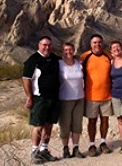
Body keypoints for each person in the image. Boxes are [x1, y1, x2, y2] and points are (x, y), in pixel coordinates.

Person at [22, 36, 60, 164]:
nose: (47, 47)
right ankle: (34, 152)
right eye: (44, 45)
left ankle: (44, 150)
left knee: (49, 125)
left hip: (54, 98)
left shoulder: (54, 58)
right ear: (39, 45)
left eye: (49, 45)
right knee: (38, 125)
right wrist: (29, 97)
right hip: (39, 98)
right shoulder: (33, 60)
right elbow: (26, 79)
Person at [80, 34, 113, 157]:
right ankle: (92, 144)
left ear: (102, 43)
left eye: (99, 42)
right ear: (91, 44)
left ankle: (103, 143)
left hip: (106, 96)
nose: (97, 44)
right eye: (95, 42)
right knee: (92, 121)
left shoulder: (108, 56)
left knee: (105, 120)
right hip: (90, 96)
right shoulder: (85, 57)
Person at [58, 42, 85, 159]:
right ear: (62, 51)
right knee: (65, 125)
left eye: (70, 50)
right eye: (66, 50)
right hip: (65, 99)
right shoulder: (59, 64)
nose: (68, 52)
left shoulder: (79, 64)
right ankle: (65, 149)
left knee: (77, 125)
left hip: (79, 97)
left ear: (74, 50)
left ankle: (76, 148)